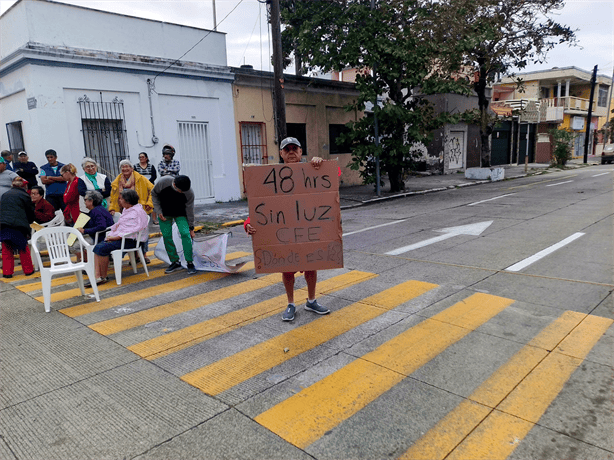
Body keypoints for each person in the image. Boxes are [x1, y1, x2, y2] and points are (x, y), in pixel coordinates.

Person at [244, 137, 330, 322]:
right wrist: (248, 223)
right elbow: (261, 205)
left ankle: (312, 300)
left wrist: (322, 164)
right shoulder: (270, 176)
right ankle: (291, 304)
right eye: (287, 149)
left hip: (306, 231)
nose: (291, 151)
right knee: (287, 269)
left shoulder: (314, 170)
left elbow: (332, 181)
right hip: (284, 233)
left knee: (311, 266)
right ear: (282, 153)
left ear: (300, 152)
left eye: (295, 148)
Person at [88, 189, 148, 286]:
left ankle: (102, 277)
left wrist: (115, 237)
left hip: (132, 240)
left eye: (121, 199)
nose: (119, 201)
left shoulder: (138, 212)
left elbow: (134, 229)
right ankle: (98, 276)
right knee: (99, 247)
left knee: (101, 248)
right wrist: (112, 233)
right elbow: (121, 225)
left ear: (127, 201)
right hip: (123, 238)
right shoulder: (127, 210)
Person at [109, 160, 154, 262]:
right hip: (124, 210)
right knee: (128, 233)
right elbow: (113, 196)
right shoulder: (117, 180)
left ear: (132, 168)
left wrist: (149, 203)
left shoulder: (140, 178)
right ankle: (134, 257)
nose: (125, 169)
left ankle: (144, 255)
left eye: (127, 167)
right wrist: (112, 208)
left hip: (140, 209)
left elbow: (152, 189)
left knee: (142, 232)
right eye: (122, 167)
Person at [151, 174, 196, 275]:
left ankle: (190, 262)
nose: (182, 192)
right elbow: (154, 194)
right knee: (167, 236)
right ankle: (175, 262)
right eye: (180, 190)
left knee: (185, 234)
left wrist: (191, 228)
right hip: (164, 213)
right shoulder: (163, 182)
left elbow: (190, 210)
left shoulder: (189, 192)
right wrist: (158, 211)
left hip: (181, 213)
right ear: (174, 184)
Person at [0, 177, 35, 278]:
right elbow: (30, 212)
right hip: (18, 225)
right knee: (23, 248)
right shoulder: (25, 195)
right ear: (24, 186)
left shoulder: (4, 195)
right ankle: (28, 270)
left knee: (6, 248)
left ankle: (7, 273)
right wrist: (30, 222)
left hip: (4, 224)